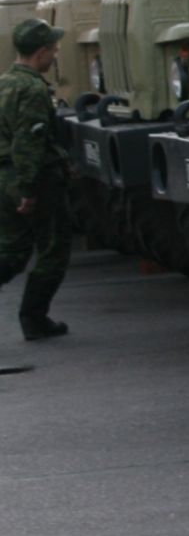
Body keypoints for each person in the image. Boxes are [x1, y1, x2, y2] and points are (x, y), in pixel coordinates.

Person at [0, 18, 74, 341]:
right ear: (41, 52)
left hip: (5, 177)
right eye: (54, 50)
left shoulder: (5, 83)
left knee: (13, 251)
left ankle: (34, 318)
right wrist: (29, 188)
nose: (56, 56)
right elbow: (28, 142)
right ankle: (34, 318)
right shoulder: (31, 89)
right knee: (54, 249)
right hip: (32, 179)